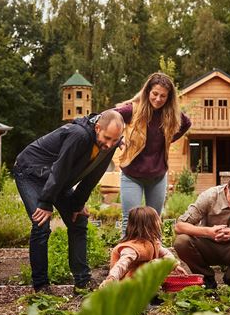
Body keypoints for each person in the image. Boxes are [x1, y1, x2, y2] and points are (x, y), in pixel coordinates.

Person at [12, 111, 125, 292]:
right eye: (107, 138)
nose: (109, 144)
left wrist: (78, 204)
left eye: (115, 140)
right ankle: (41, 287)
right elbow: (61, 168)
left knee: (78, 220)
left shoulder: (109, 145)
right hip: (30, 172)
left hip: (55, 178)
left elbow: (92, 177)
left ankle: (82, 282)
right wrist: (46, 203)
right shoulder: (78, 135)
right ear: (97, 128)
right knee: (41, 224)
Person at [114, 72, 191, 236]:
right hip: (131, 175)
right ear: (147, 91)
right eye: (155, 94)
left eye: (163, 96)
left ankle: (155, 259)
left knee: (155, 221)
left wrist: (168, 139)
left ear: (169, 98)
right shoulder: (133, 110)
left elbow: (186, 123)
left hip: (158, 176)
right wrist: (118, 141)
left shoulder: (171, 113)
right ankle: (124, 259)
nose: (158, 99)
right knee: (130, 220)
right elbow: (109, 117)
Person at [172, 170, 230, 290]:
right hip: (208, 246)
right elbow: (179, 226)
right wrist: (208, 232)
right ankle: (206, 277)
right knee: (181, 241)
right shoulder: (210, 195)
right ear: (227, 187)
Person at [100, 206, 185, 287]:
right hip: (126, 284)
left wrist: (175, 265)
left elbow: (166, 254)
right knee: (155, 263)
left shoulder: (152, 241)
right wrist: (111, 278)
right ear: (148, 225)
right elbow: (122, 264)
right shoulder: (132, 247)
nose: (160, 222)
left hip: (141, 281)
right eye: (156, 219)